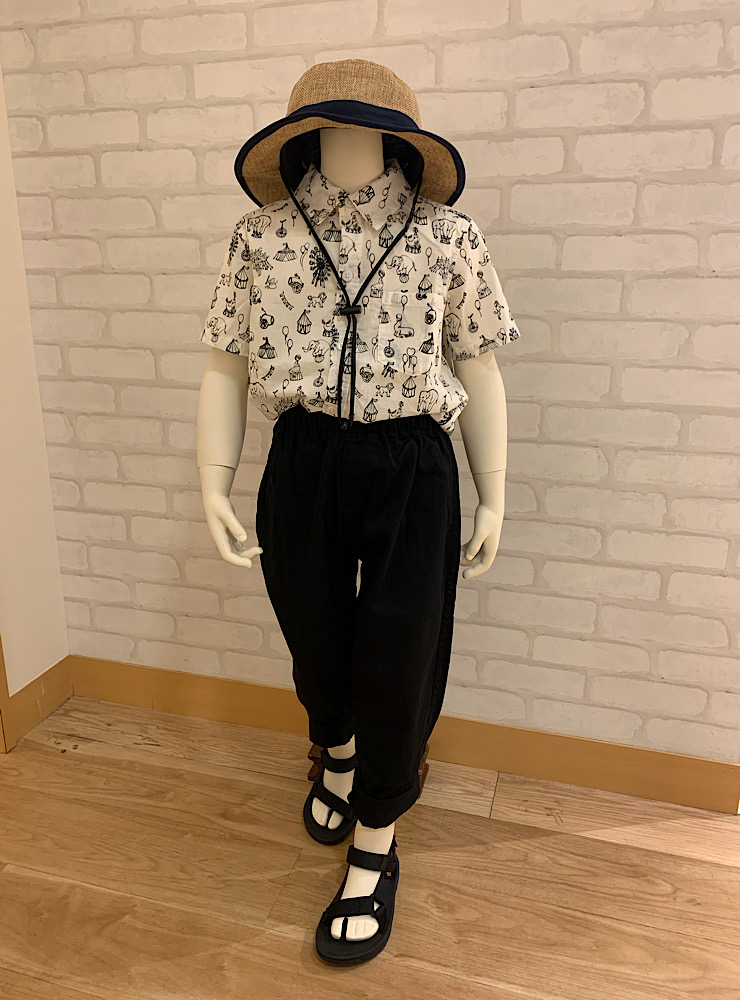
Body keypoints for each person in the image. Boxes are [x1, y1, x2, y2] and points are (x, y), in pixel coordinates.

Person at [196, 58, 522, 965]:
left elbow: (480, 365)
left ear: (400, 141)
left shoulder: (449, 237)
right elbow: (224, 362)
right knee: (313, 631)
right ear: (301, 136)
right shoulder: (258, 238)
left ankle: (376, 834)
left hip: (412, 459)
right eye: (332, 125)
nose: (349, 140)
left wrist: (493, 492)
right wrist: (214, 479)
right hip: (302, 454)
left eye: (367, 126)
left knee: (402, 648)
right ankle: (335, 751)